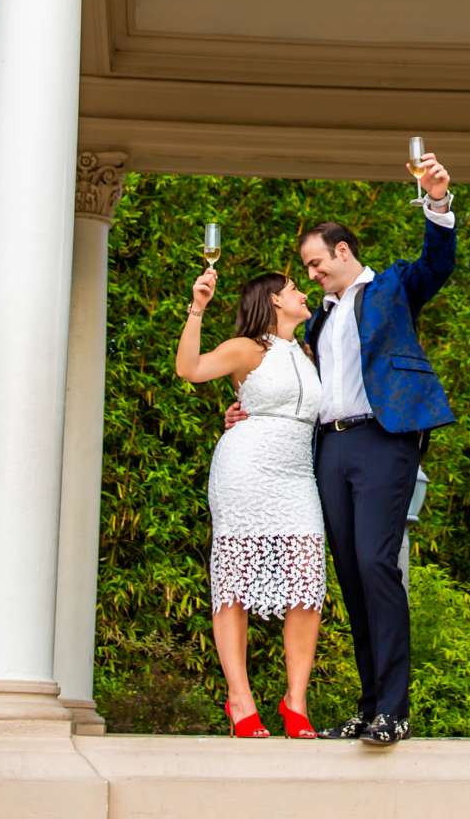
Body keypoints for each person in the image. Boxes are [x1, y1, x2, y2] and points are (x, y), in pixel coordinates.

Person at [232, 153, 456, 745]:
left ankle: (395, 710)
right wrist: (246, 410)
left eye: (316, 264)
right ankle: (369, 706)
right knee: (352, 575)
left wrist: (436, 202)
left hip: (385, 438)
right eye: (305, 269)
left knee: (379, 564)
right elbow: (291, 388)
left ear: (344, 252)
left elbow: (438, 263)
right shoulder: (315, 323)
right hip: (329, 451)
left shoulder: (393, 287)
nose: (311, 276)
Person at [175, 266, 324, 739]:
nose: (304, 293)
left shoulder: (307, 351)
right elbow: (190, 369)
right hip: (245, 474)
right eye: (296, 288)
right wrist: (197, 308)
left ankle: (295, 701)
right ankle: (240, 701)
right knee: (234, 584)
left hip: (298, 476)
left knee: (307, 581)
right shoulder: (247, 347)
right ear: (275, 300)